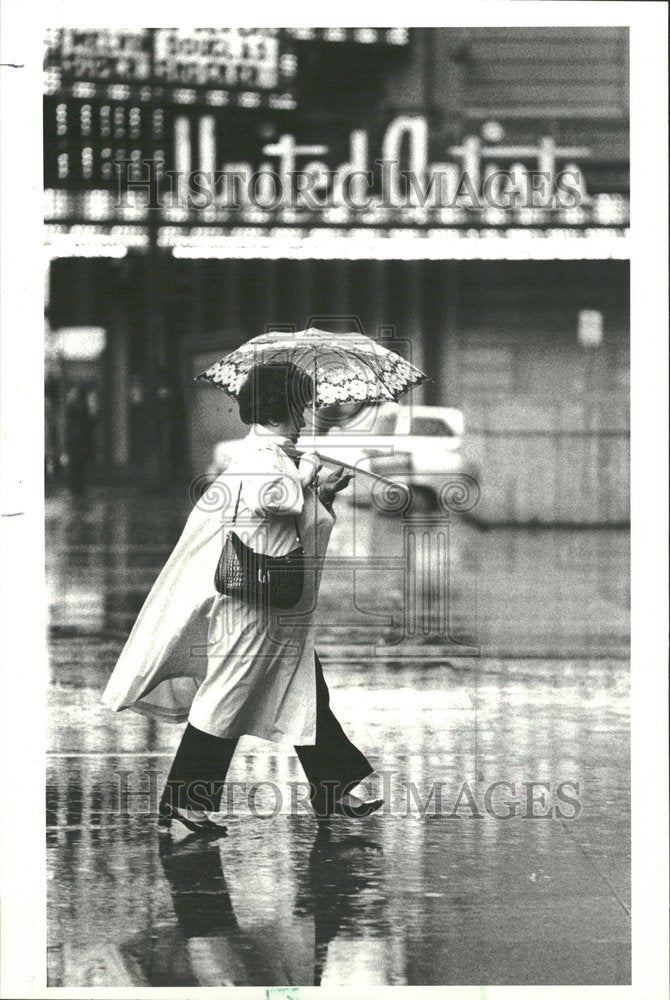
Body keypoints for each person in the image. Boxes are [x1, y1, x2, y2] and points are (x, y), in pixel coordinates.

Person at [102, 362, 383, 833]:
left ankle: (333, 790)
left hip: (276, 605)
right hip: (252, 607)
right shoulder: (262, 457)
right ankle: (186, 802)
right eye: (303, 401)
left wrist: (322, 491)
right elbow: (273, 501)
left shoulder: (278, 455)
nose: (309, 410)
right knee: (227, 697)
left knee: (305, 691)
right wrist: (309, 472)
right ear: (284, 406)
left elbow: (292, 520)